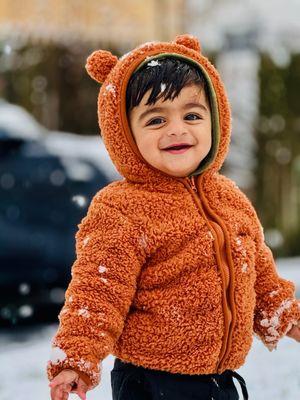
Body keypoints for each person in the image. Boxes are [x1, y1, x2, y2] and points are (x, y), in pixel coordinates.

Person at [47, 34, 300, 400]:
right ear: (125, 135)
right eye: (155, 120)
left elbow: (257, 273)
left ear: (216, 120)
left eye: (192, 114)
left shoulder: (228, 197)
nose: (177, 129)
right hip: (152, 382)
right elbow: (97, 293)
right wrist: (75, 358)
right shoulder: (121, 209)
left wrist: (285, 315)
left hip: (220, 380)